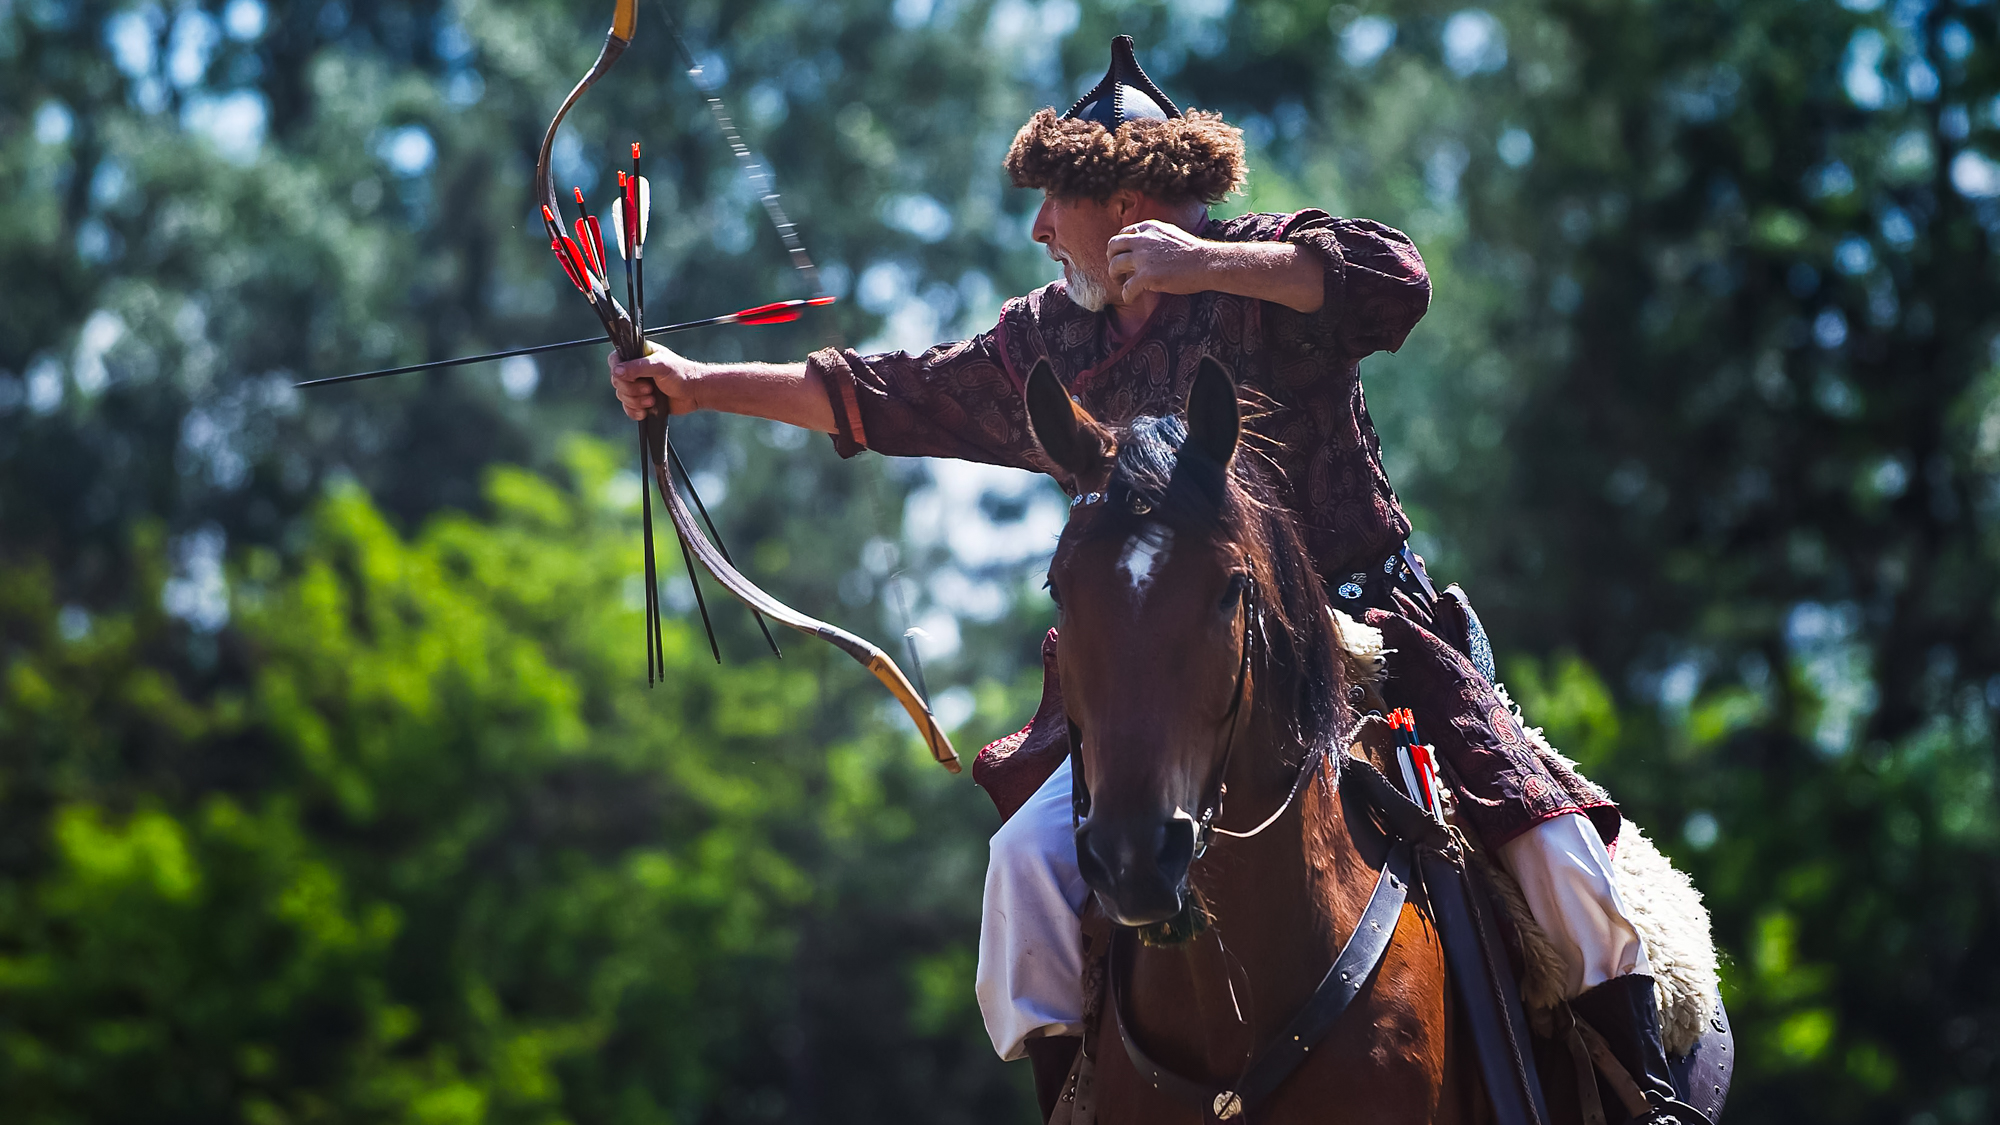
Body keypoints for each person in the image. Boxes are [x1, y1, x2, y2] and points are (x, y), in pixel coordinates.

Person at [609, 36, 1689, 1125]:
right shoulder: (1048, 339)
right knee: (1025, 873)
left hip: (1365, 637)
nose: (1036, 230)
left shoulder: (1262, 265)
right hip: (1155, 676)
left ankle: (1637, 1095)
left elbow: (1395, 280)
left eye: (1052, 206)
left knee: (1552, 851)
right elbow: (882, 395)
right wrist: (694, 388)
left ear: (1125, 204)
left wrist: (1202, 266)